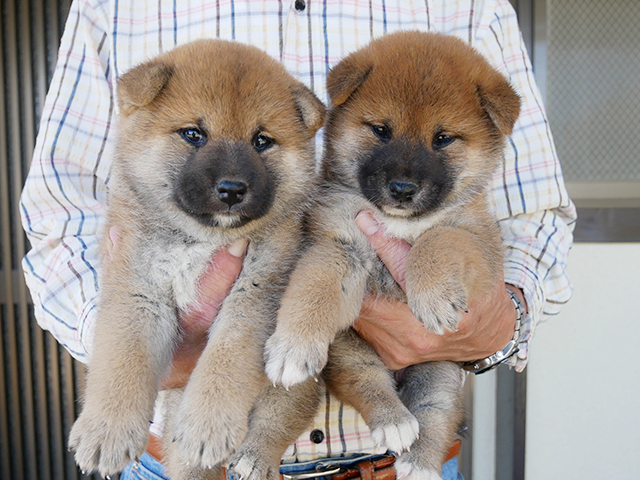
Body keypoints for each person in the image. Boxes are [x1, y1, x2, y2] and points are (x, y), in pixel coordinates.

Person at [20, 1, 576, 479]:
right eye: (194, 136)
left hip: (395, 461)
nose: (229, 174)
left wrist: (501, 324)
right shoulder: (112, 7)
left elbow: (537, 216)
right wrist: (149, 363)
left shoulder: (474, 9)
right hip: (169, 454)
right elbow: (56, 217)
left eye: (265, 141)